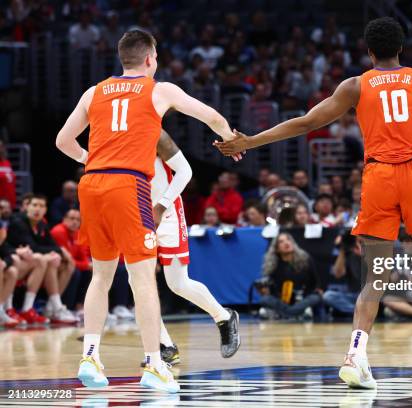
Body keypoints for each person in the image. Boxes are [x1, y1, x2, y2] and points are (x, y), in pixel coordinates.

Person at [215, 17, 412, 387]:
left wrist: (249, 141)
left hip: (379, 177)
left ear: (369, 52)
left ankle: (356, 355)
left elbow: (306, 123)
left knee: (376, 275)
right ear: (401, 48)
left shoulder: (355, 85)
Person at [55, 29, 239, 392]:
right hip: (129, 186)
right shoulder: (160, 89)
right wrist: (231, 141)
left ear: (122, 58)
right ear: (151, 59)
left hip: (91, 185)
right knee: (142, 280)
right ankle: (155, 365)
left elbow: (62, 140)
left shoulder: (94, 92)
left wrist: (88, 158)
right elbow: (212, 115)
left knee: (101, 277)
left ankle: (90, 357)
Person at [145, 130, 240, 366]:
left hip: (165, 214)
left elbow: (185, 172)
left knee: (177, 284)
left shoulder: (155, 134)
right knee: (138, 283)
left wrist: (160, 206)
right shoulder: (116, 135)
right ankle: (165, 345)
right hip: (135, 215)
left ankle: (224, 317)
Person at [7, 194, 78, 324]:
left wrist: (58, 251)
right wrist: (54, 252)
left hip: (30, 264)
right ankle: (28, 308)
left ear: (45, 210)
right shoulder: (18, 222)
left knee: (69, 264)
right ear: (26, 207)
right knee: (43, 259)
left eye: (41, 206)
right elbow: (32, 247)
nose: (37, 209)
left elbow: (53, 246)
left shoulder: (41, 224)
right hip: (14, 263)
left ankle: (52, 307)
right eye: (34, 205)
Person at [257, 233, 323, 319]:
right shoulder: (273, 265)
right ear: (276, 249)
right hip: (282, 301)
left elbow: (316, 282)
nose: (286, 243)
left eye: (288, 240)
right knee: (264, 299)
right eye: (281, 242)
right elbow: (271, 290)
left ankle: (284, 313)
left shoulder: (305, 259)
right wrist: (264, 290)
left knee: (316, 298)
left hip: (302, 299)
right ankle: (297, 313)